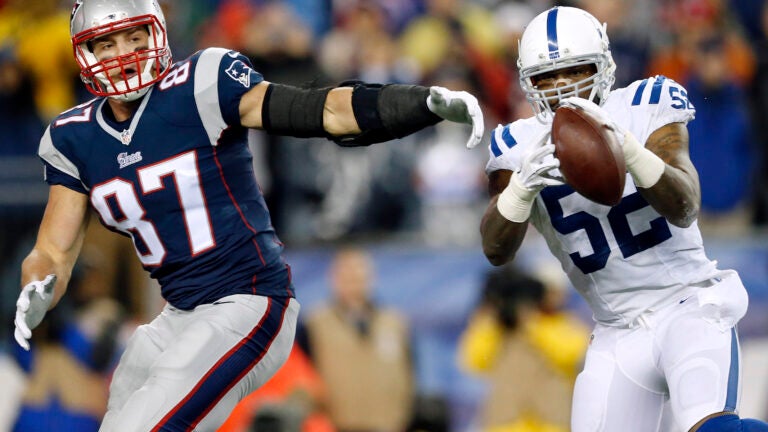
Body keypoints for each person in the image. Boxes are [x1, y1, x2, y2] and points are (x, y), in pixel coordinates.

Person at [11, 0, 484, 431]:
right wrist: (38, 285)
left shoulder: (200, 84)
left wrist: (416, 103)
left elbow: (324, 111)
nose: (124, 52)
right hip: (176, 315)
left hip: (249, 300)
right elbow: (54, 249)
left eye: (134, 36)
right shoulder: (72, 137)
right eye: (107, 42)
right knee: (121, 410)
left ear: (157, 32)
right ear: (83, 53)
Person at [480, 6, 767, 432]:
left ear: (602, 65)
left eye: (575, 70)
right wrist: (521, 188)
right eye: (545, 77)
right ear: (527, 81)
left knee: (713, 429)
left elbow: (685, 205)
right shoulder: (515, 145)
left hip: (686, 305)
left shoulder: (645, 106)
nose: (561, 87)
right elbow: (496, 250)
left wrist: (630, 152)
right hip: (616, 331)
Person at [457, 264, 587, 432]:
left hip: (552, 421)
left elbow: (570, 354)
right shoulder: (498, 329)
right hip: (505, 421)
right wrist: (491, 316)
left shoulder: (564, 324)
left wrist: (532, 322)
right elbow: (474, 361)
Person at [300, 247, 414, 432]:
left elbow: (409, 371)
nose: (354, 281)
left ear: (372, 278)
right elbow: (302, 377)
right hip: (336, 425)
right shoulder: (314, 324)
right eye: (347, 275)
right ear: (334, 279)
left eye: (359, 274)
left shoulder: (395, 323)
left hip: (387, 424)